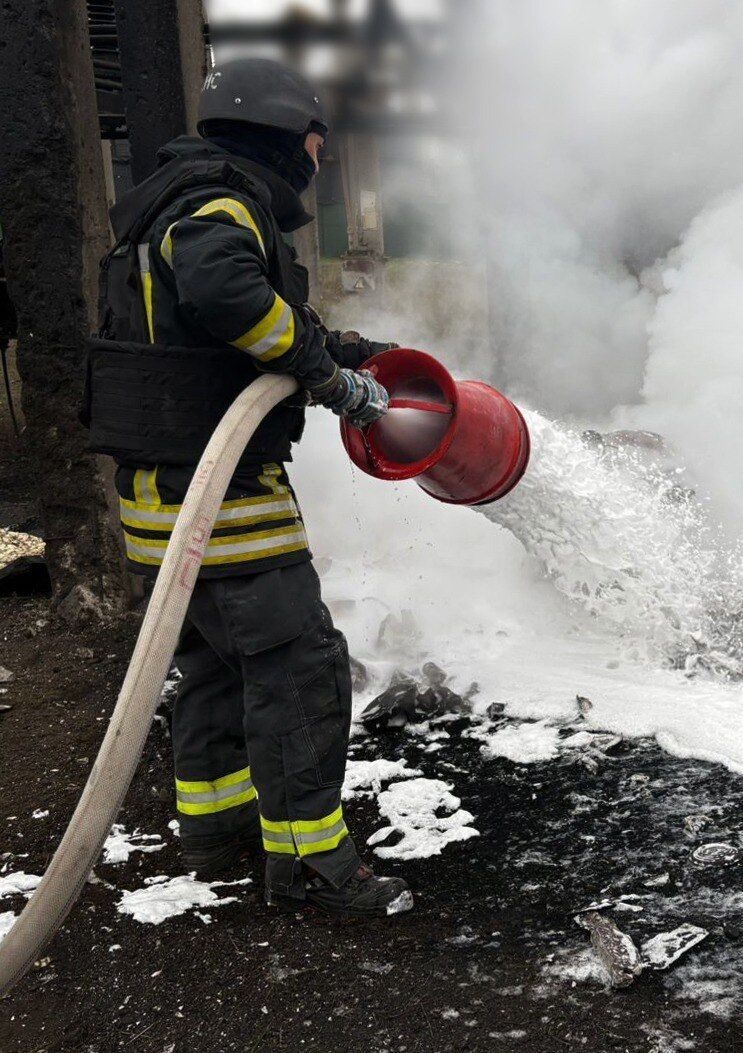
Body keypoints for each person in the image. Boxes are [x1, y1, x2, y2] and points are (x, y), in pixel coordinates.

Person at [82, 58, 410, 916]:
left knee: (217, 667)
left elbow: (222, 324)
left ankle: (217, 824)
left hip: (164, 501)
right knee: (300, 669)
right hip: (221, 501)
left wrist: (334, 348)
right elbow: (228, 293)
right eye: (312, 137)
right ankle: (312, 864)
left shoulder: (172, 198)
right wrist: (324, 377)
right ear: (281, 132)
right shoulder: (224, 205)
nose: (315, 153)